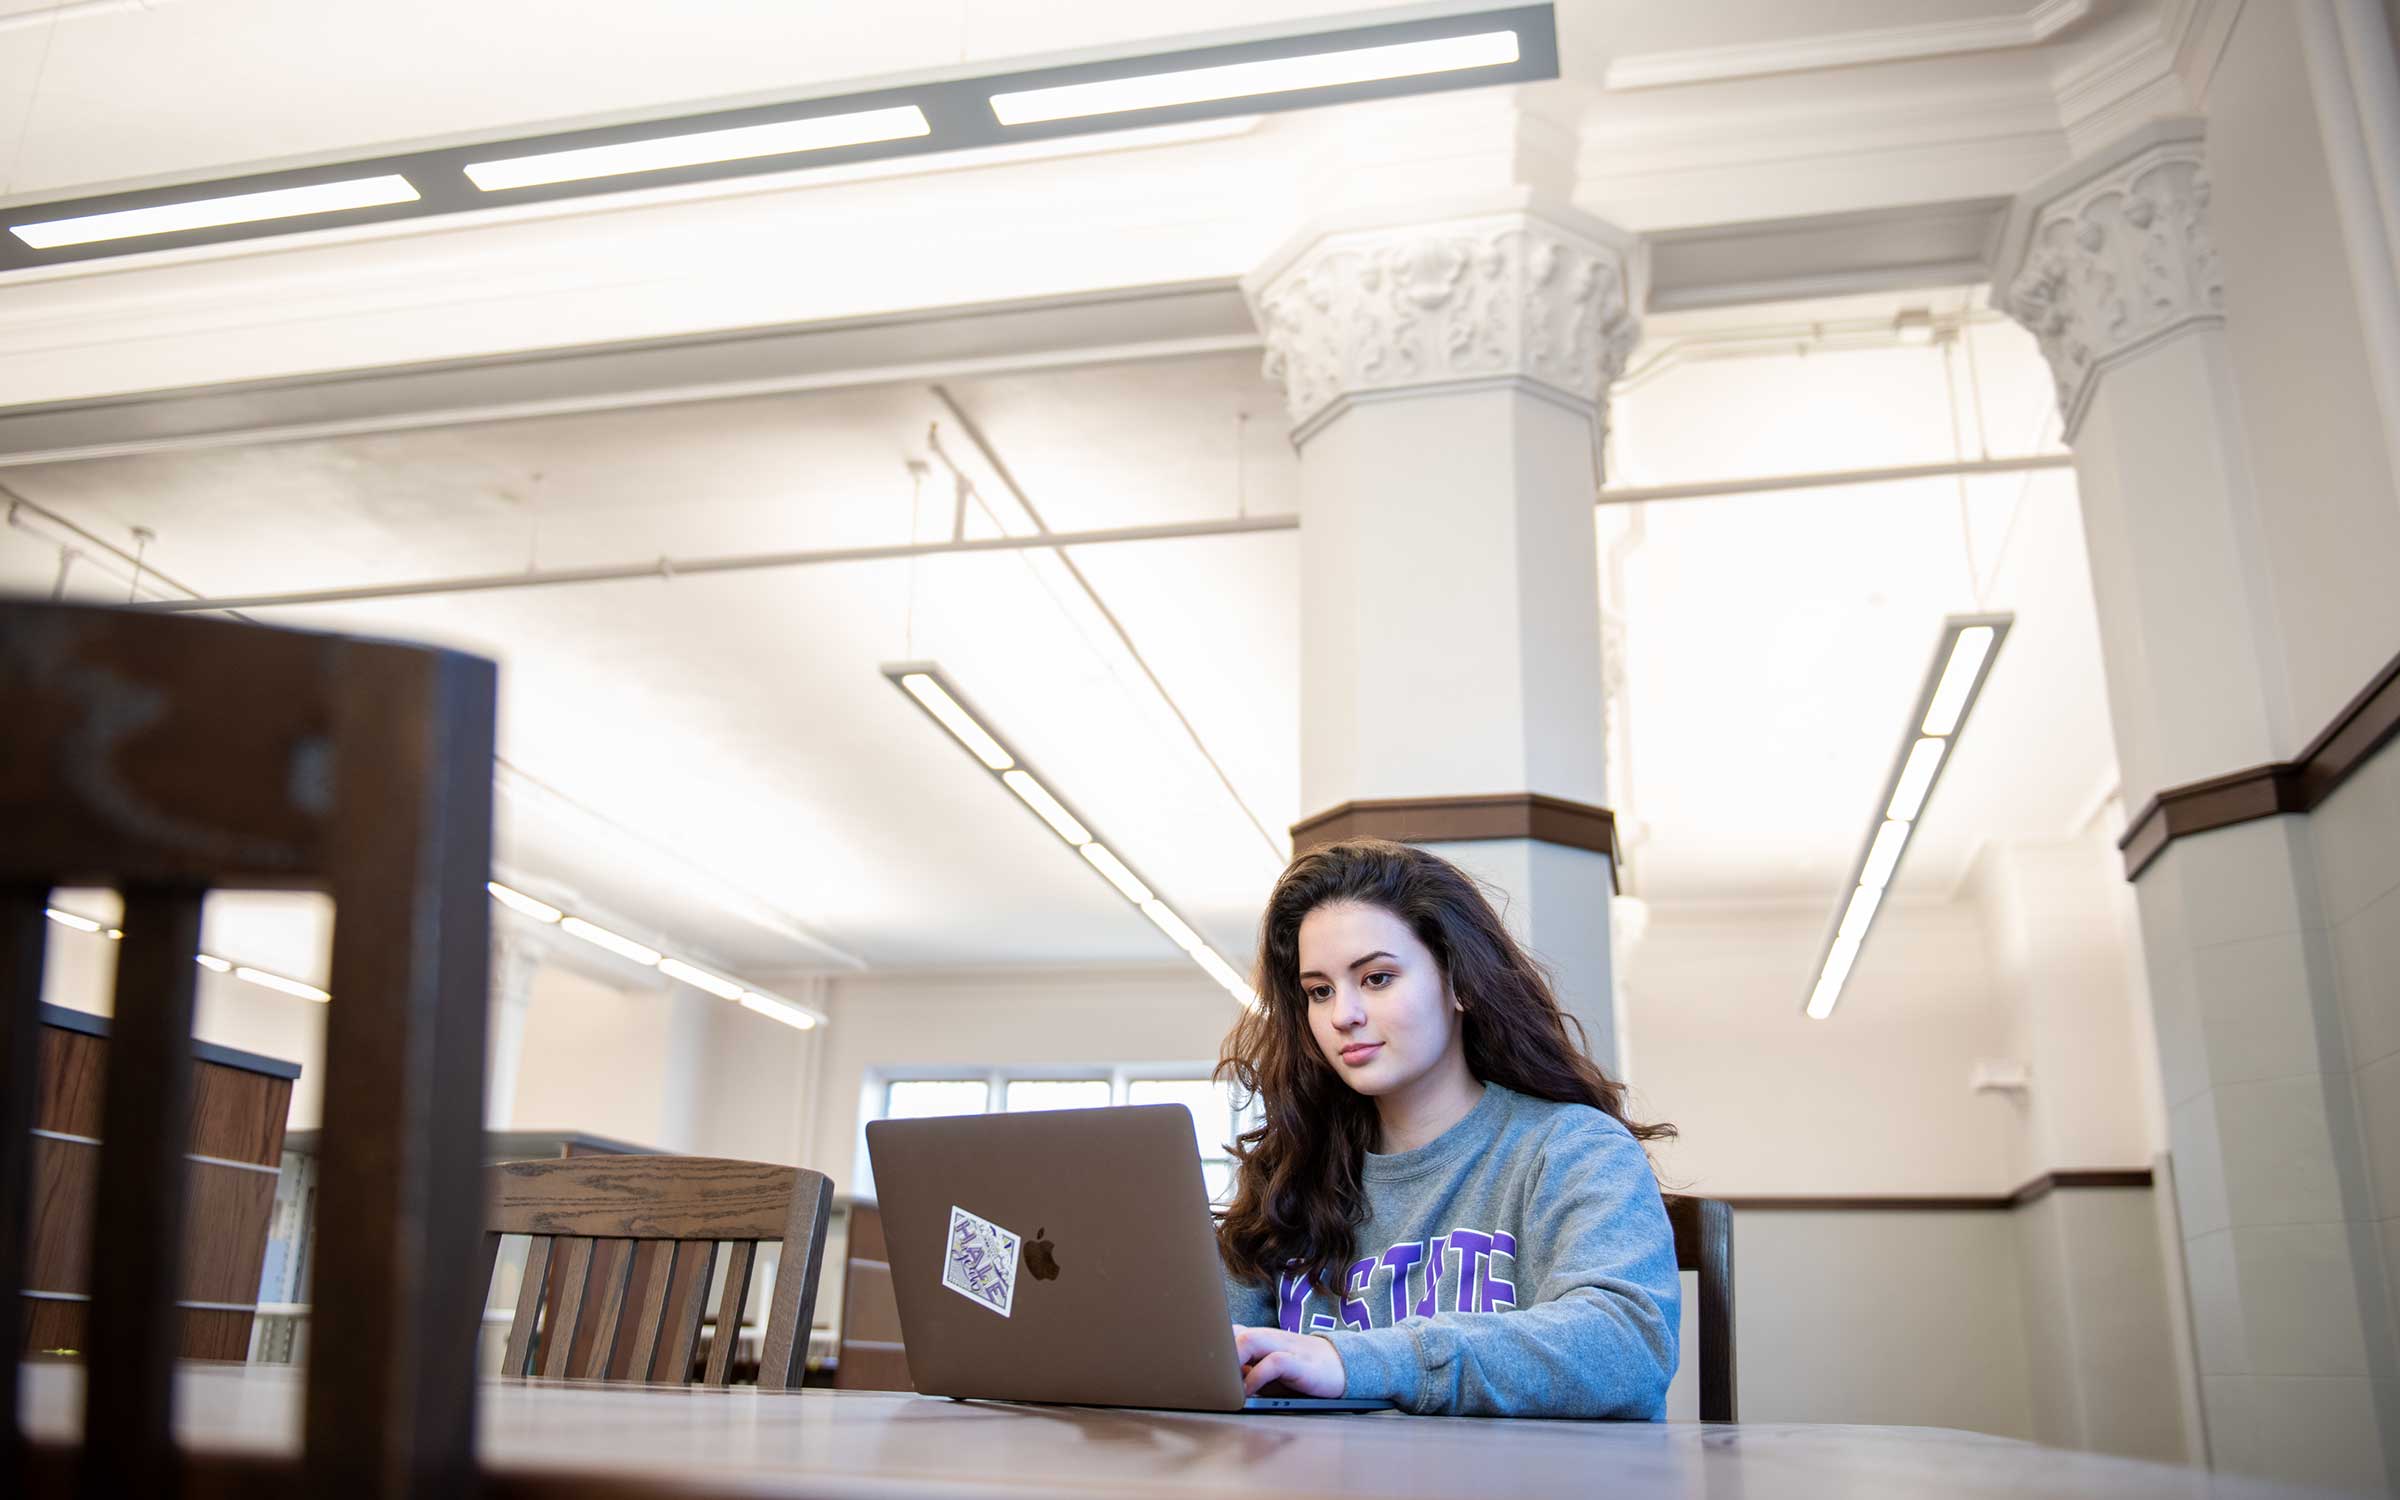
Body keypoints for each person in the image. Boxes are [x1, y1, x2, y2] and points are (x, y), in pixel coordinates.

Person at [1215, 837, 1680, 1418]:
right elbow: (1210, 1357)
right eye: (1319, 991)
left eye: (1378, 978)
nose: (1343, 1015)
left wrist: (1353, 1361)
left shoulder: (1571, 1148)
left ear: (1459, 982)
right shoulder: (1287, 1173)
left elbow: (1627, 1347)